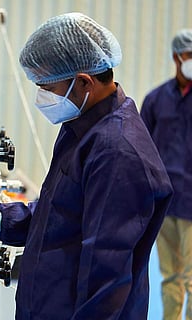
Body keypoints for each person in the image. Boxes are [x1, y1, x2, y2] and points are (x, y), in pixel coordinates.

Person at [0, 13, 173, 319]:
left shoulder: (117, 152)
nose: (41, 97)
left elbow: (106, 276)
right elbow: (60, 210)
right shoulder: (81, 128)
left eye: (47, 88)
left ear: (84, 82)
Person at [140, 29, 192, 319]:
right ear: (176, 57)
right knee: (170, 276)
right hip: (166, 203)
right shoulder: (156, 100)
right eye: (189, 56)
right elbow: (141, 149)